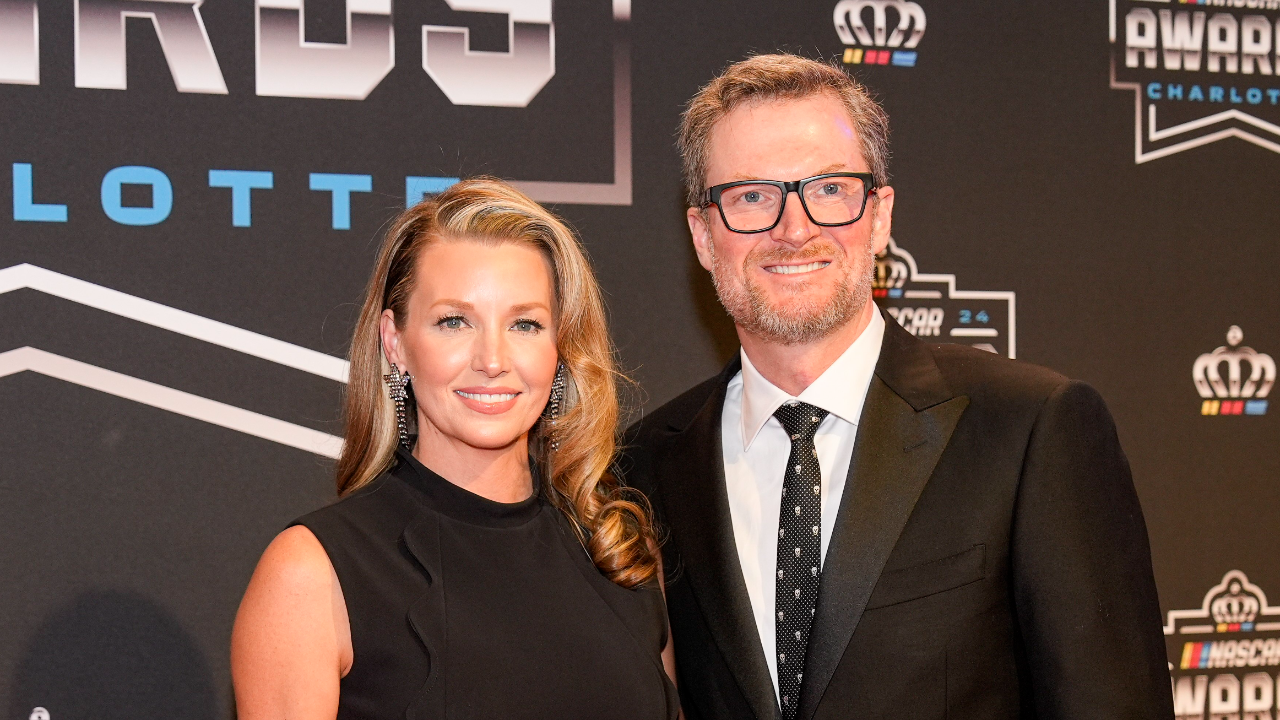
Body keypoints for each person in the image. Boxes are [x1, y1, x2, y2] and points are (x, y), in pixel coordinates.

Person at [621, 55, 1175, 720]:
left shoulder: (1029, 429)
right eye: (751, 197)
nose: (793, 229)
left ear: (879, 216)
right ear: (703, 236)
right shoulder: (646, 463)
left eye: (829, 189)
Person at [231, 178, 679, 720]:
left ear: (560, 346)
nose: (493, 358)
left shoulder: (619, 551)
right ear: (394, 342)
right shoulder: (312, 572)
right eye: (453, 321)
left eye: (525, 324)